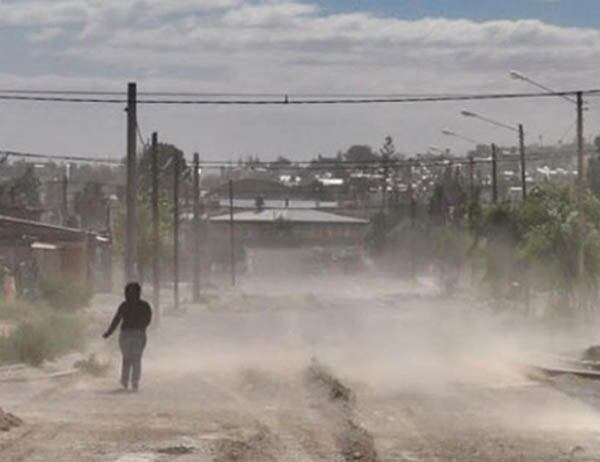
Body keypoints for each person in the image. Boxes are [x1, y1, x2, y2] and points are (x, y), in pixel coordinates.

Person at [103, 282, 152, 391]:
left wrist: (108, 333)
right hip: (139, 334)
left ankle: (125, 380)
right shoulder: (144, 306)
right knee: (136, 358)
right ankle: (135, 381)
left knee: (126, 358)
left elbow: (116, 320)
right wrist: (141, 328)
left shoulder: (124, 305)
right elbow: (148, 320)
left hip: (126, 334)